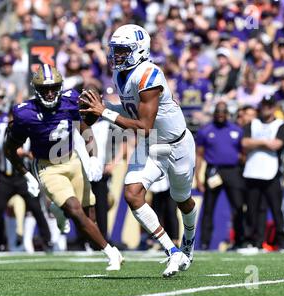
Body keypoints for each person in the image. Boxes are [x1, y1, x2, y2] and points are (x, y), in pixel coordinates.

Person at [80, 24, 197, 277]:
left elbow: (144, 125)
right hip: (151, 144)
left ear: (140, 50)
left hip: (175, 144)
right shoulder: (120, 75)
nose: (117, 56)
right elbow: (131, 112)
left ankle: (188, 240)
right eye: (115, 50)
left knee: (183, 200)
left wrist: (105, 112)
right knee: (133, 195)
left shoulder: (149, 74)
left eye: (123, 50)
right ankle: (172, 251)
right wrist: (105, 108)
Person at [4, 64, 123, 270]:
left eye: (53, 88)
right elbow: (9, 149)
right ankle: (111, 252)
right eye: (44, 89)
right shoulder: (25, 113)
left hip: (73, 160)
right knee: (75, 211)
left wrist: (93, 157)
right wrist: (26, 175)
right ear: (36, 89)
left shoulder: (70, 101)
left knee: (89, 214)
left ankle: (56, 210)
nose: (50, 93)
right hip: (48, 167)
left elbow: (85, 128)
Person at [0, 108, 52, 253]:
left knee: (36, 208)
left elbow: (37, 154)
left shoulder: (30, 131)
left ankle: (47, 241)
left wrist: (26, 153)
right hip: (5, 177)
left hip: (24, 176)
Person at [241, 95, 284, 251]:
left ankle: (283, 242)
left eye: (269, 105)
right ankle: (253, 241)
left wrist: (256, 143)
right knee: (252, 209)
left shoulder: (280, 125)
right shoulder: (253, 123)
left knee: (276, 209)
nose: (266, 108)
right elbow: (245, 143)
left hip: (271, 172)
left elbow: (277, 144)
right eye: (264, 105)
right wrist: (264, 142)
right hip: (253, 171)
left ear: (274, 107)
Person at [195, 101, 245, 250]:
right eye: (218, 113)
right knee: (208, 208)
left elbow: (243, 153)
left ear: (228, 114)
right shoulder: (206, 131)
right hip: (213, 171)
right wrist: (197, 177)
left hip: (232, 171)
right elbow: (199, 155)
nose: (221, 116)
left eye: (223, 113)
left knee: (238, 207)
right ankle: (205, 243)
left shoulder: (237, 130)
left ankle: (240, 241)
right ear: (215, 113)